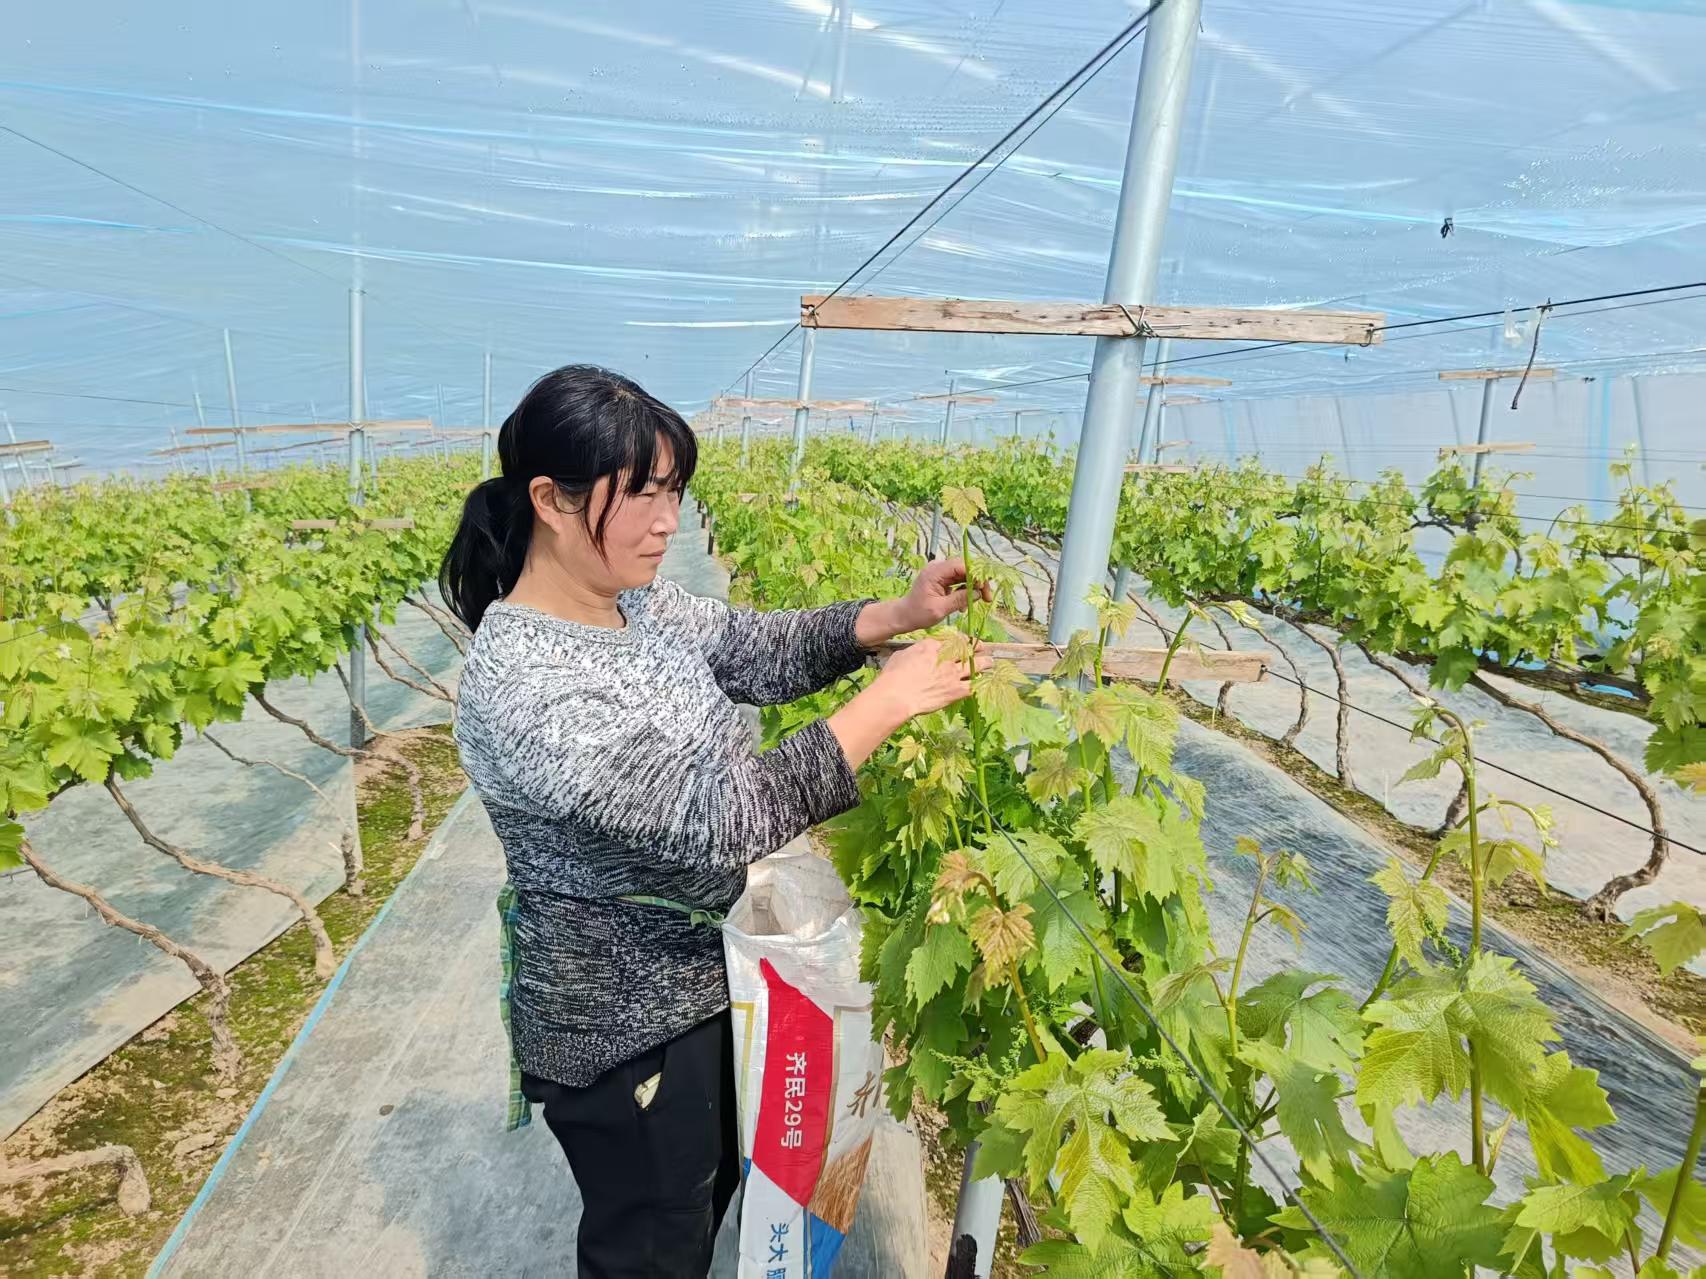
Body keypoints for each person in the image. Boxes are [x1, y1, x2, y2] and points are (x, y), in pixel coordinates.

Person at [440, 364, 990, 1278]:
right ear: (550, 499)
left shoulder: (636, 604)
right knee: (653, 1244)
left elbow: (749, 646)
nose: (668, 520)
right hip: (629, 1032)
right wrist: (887, 703)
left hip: (709, 986)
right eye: (643, 493)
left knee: (699, 1208)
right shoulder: (525, 683)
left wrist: (893, 615)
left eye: (675, 491)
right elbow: (719, 816)